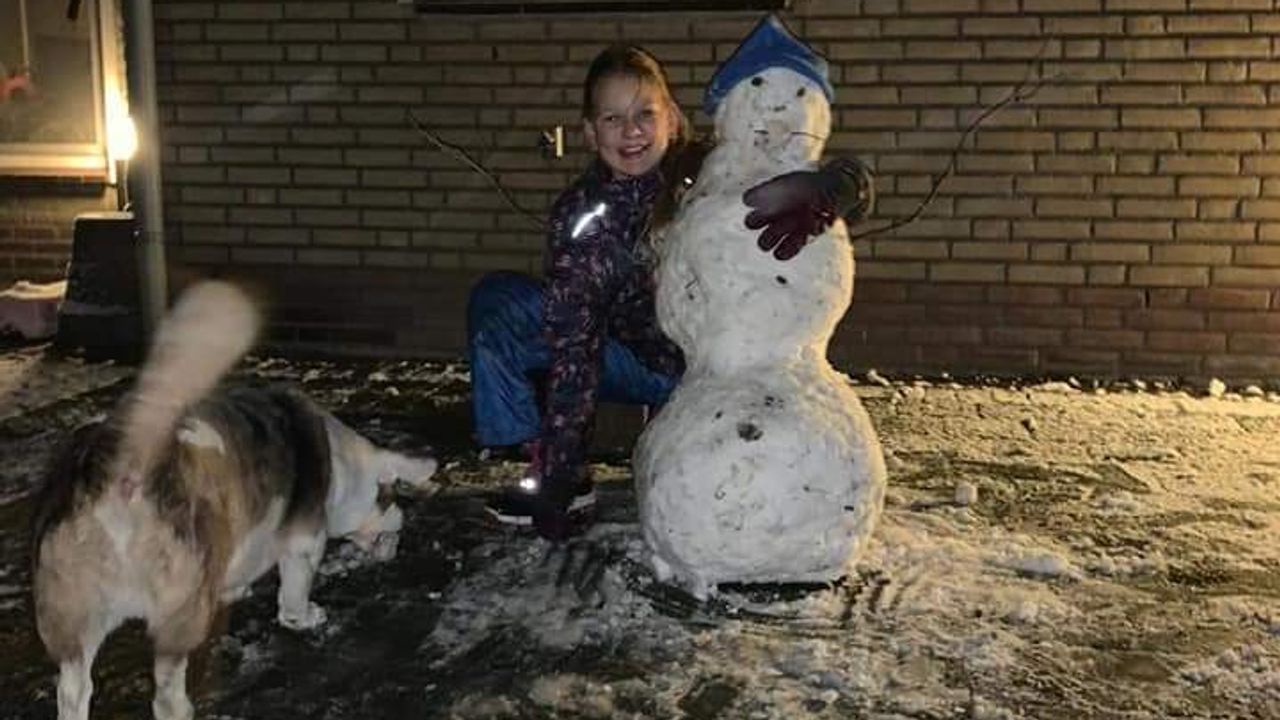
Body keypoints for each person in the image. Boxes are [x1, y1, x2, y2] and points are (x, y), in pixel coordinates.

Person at [467, 36, 873, 541]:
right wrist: (561, 468)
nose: (631, 131)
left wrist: (841, 185)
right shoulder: (582, 215)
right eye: (612, 118)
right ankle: (544, 465)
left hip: (714, 363)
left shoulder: (711, 171)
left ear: (672, 119)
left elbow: (808, 161)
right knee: (499, 301)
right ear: (590, 133)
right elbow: (576, 348)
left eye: (644, 113)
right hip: (637, 363)